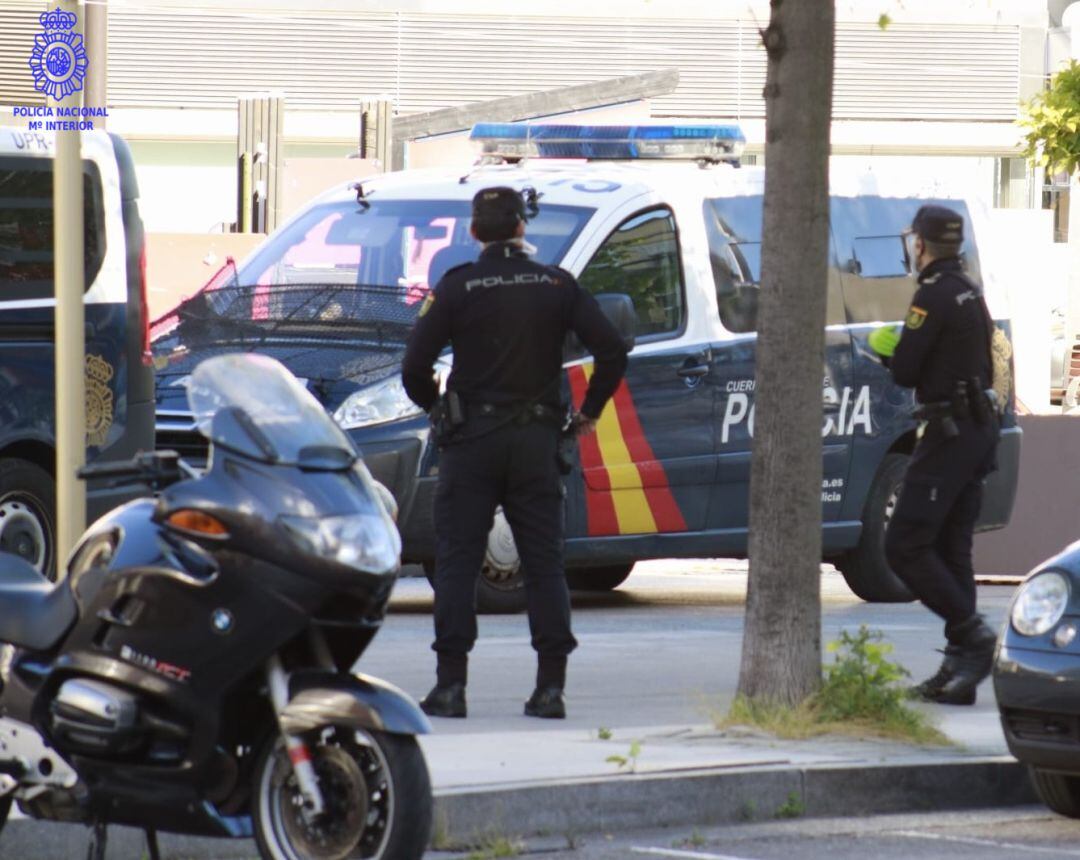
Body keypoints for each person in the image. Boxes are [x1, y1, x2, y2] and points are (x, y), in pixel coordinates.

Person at [401, 187, 628, 719]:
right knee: (545, 563)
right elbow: (612, 350)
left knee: (457, 561)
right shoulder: (556, 285)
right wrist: (589, 412)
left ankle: (451, 687)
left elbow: (415, 366)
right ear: (523, 228)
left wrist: (438, 408)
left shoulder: (457, 287)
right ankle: (550, 689)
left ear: (475, 232)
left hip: (470, 443)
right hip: (537, 442)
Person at [868, 205, 1000, 706]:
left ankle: (973, 636)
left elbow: (905, 370)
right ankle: (958, 667)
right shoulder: (969, 290)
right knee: (950, 547)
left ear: (918, 245)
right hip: (976, 431)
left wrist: (886, 351)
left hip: (949, 434)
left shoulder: (932, 295)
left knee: (903, 543)